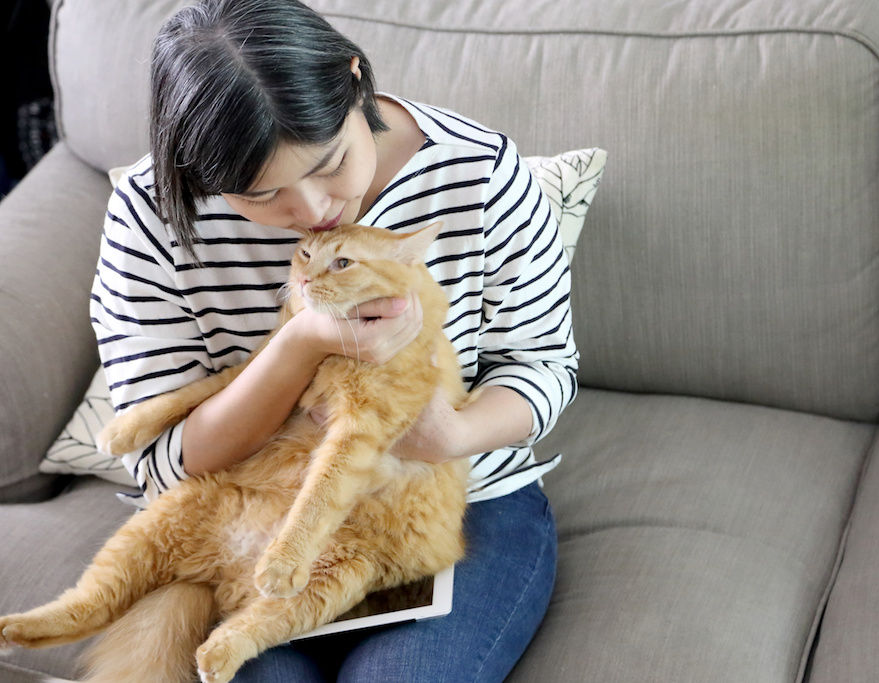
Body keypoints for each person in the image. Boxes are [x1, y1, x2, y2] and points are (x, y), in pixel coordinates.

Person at [89, 0, 577, 680]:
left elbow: (543, 363)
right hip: (259, 507)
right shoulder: (150, 217)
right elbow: (168, 460)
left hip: (462, 500)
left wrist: (448, 436)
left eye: (330, 161)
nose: (313, 212)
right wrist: (300, 345)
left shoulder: (481, 172)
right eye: (262, 196)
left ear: (354, 80)